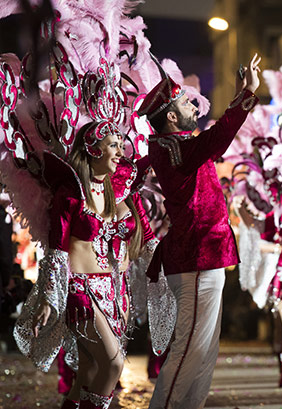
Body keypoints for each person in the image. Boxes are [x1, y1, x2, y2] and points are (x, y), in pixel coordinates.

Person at [139, 54, 261, 409]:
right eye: (185, 102)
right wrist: (246, 96)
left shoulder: (181, 146)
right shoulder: (171, 147)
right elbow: (217, 139)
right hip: (194, 257)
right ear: (172, 117)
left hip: (206, 256)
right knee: (190, 347)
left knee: (205, 350)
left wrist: (242, 97)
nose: (194, 104)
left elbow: (212, 140)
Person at [14, 119, 156, 409]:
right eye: (113, 146)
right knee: (113, 365)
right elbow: (57, 252)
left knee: (90, 371)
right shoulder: (70, 194)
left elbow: (147, 239)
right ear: (92, 148)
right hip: (82, 292)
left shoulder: (121, 190)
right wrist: (47, 299)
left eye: (121, 145)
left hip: (117, 291)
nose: (121, 152)